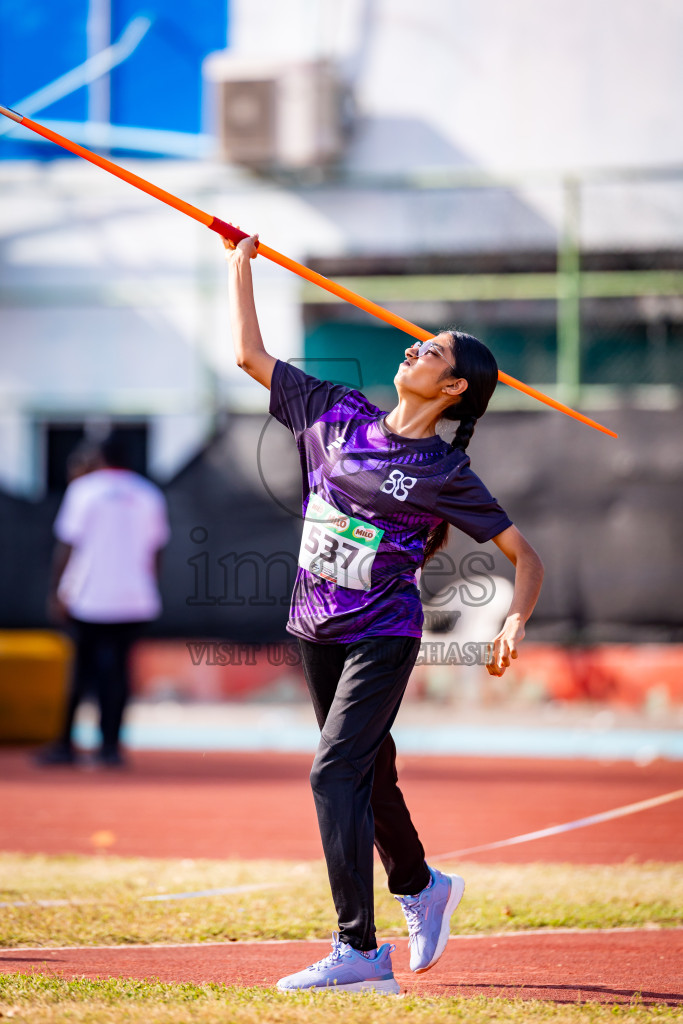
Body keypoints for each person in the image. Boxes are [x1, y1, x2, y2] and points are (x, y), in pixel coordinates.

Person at [224, 232, 544, 994]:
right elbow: (249, 359)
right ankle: (422, 886)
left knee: (333, 774)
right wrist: (239, 272)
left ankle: (359, 952)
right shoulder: (333, 411)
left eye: (432, 350)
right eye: (417, 341)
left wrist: (513, 621)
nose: (414, 348)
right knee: (369, 777)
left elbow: (524, 556)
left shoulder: (443, 471)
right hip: (313, 628)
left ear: (455, 387)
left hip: (381, 632)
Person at [38, 431, 170, 768]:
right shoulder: (148, 494)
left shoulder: (84, 491)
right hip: (134, 599)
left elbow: (67, 544)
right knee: (119, 674)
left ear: (98, 458)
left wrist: (56, 592)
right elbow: (157, 550)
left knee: (81, 673)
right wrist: (149, 586)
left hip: (88, 599)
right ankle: (111, 748)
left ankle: (66, 746)